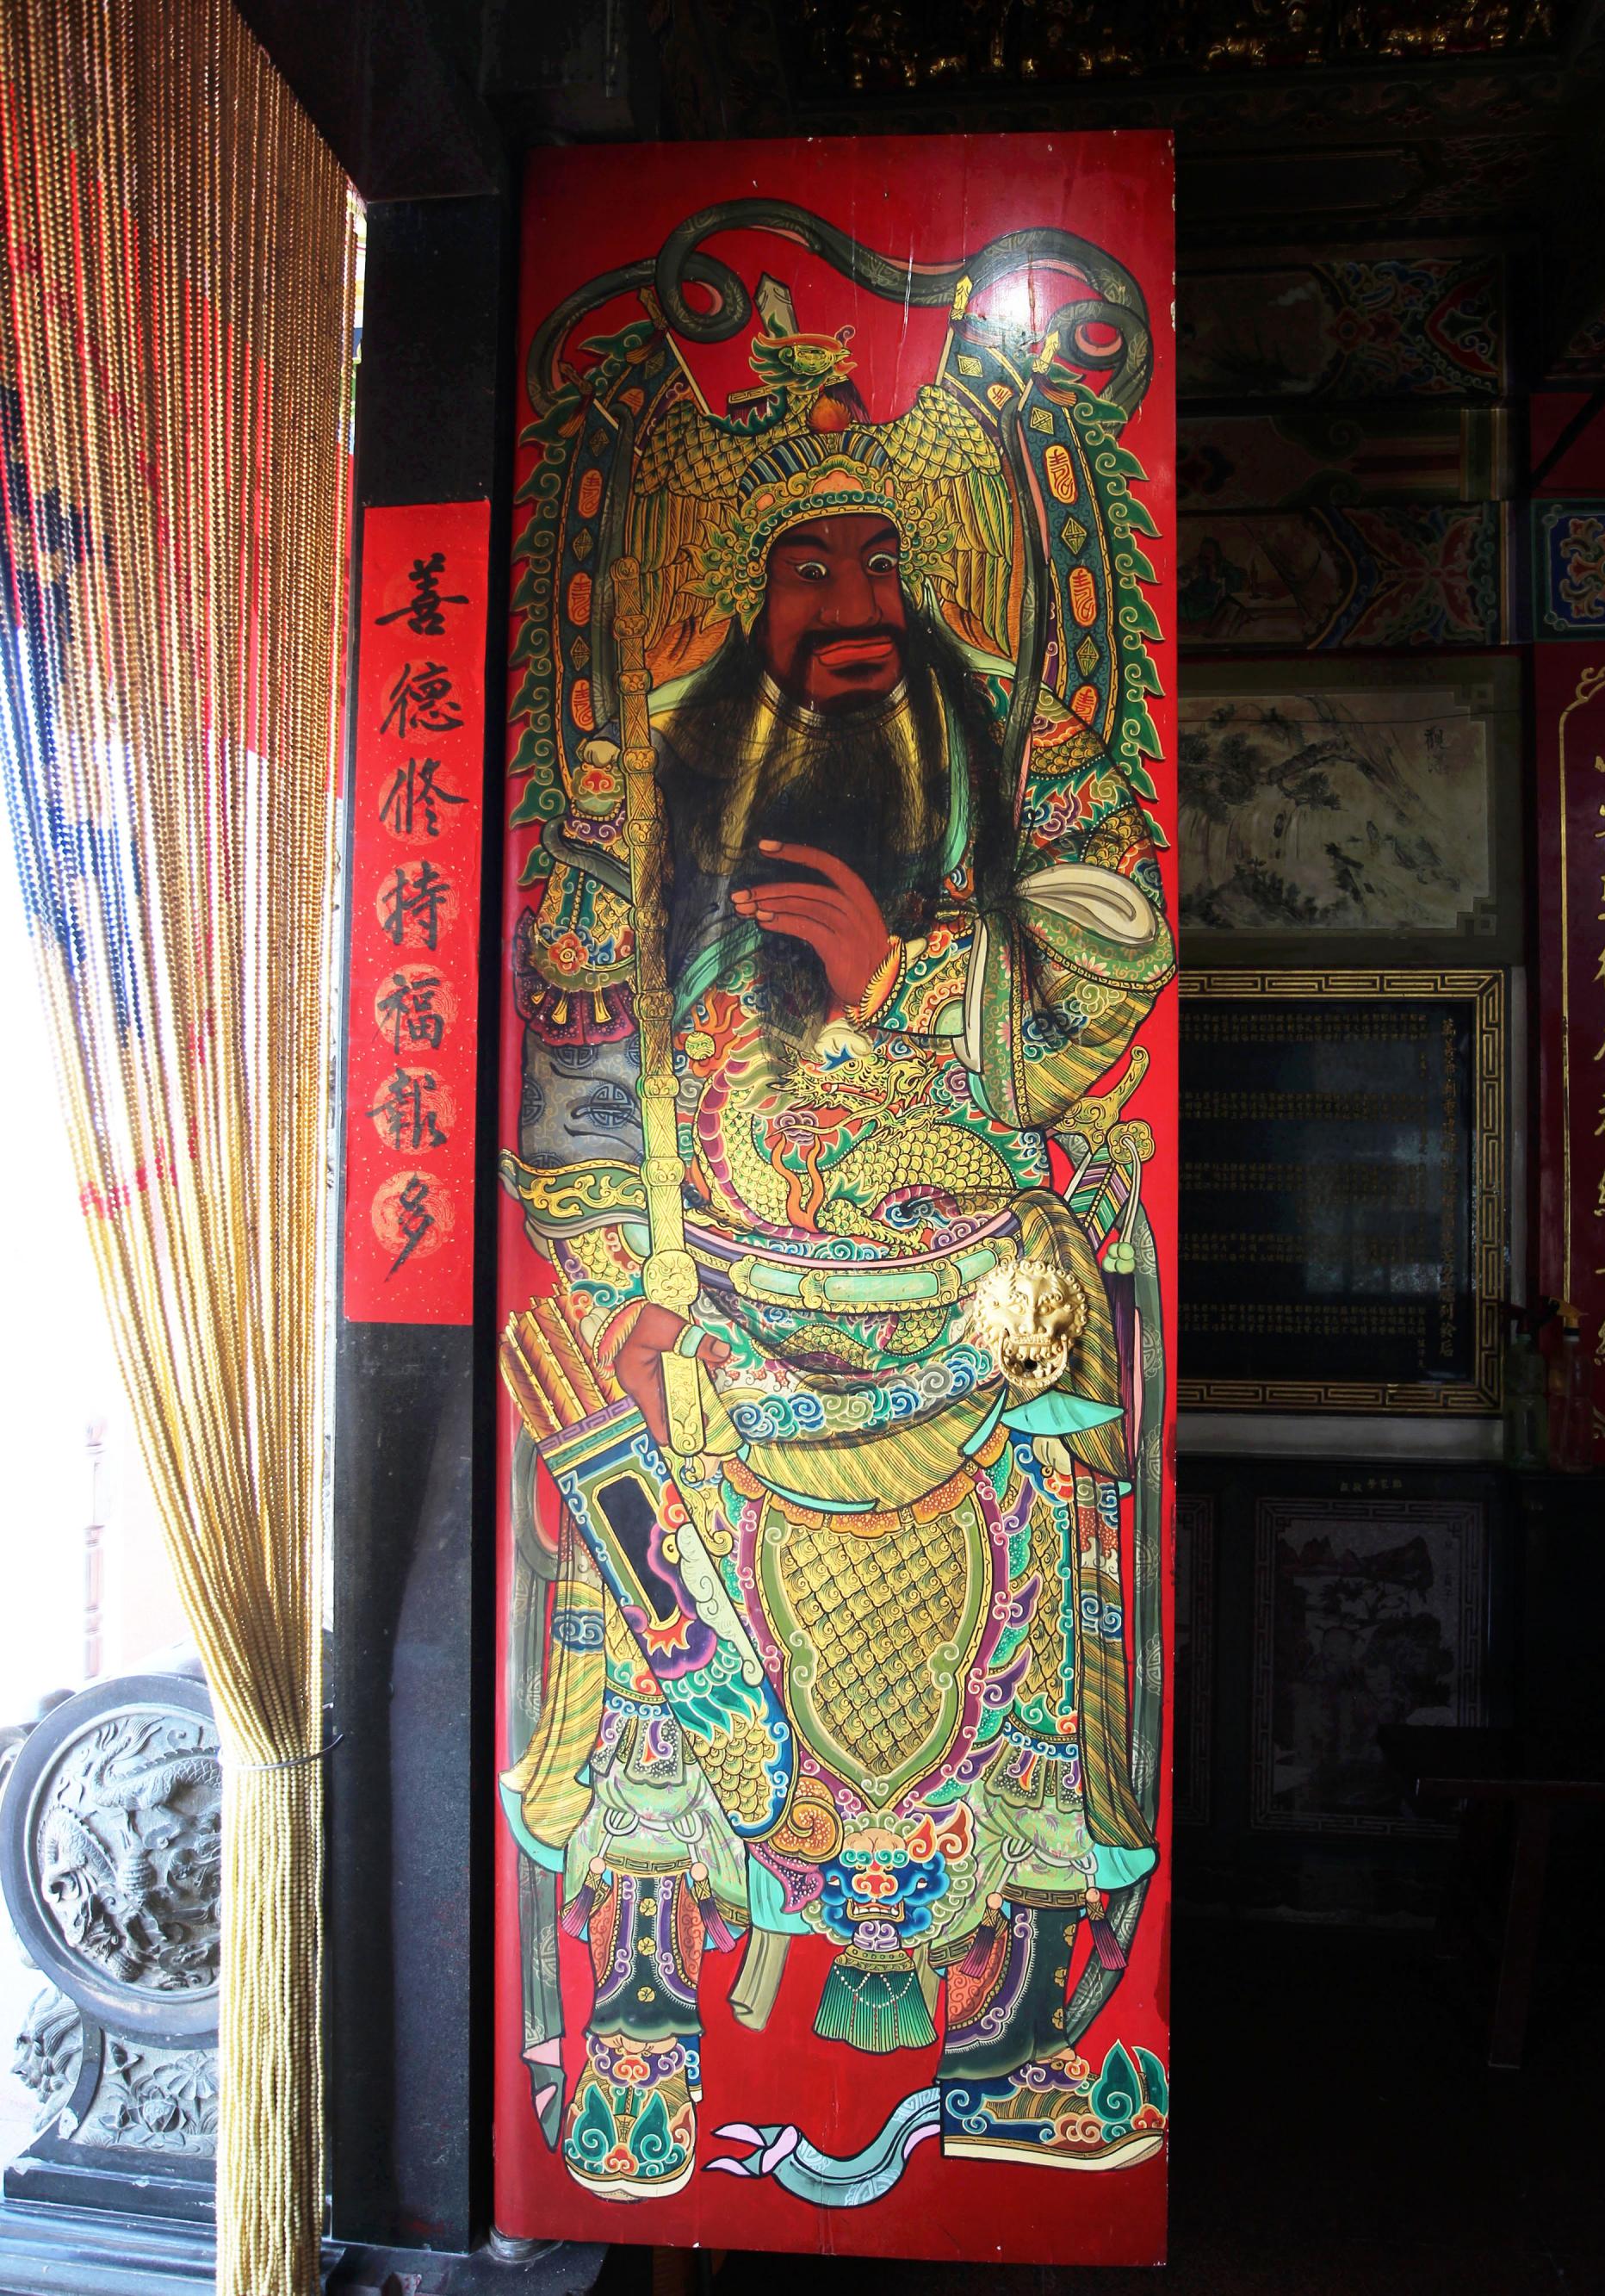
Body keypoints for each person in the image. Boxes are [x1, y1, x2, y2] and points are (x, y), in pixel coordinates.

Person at [500, 327, 1174, 2201]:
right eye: (809, 567)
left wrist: (905, 976)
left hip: (971, 1322)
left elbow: (1109, 968)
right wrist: (619, 1280)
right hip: (722, 1311)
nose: (855, 604)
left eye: (884, 562)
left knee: (1027, 1698)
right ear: (745, 594)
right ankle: (648, 2014)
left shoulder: (1007, 755)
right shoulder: (657, 777)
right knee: (656, 1676)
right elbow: (578, 1038)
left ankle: (1019, 2037)